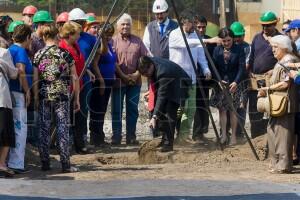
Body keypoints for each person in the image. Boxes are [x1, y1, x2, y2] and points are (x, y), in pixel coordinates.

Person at [33, 24, 80, 173]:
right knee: (62, 128)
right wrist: (77, 98)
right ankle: (65, 164)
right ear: (57, 35)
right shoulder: (65, 54)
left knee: (44, 129)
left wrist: (35, 96)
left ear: (44, 37)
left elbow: (35, 78)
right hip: (62, 96)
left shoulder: (38, 55)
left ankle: (45, 163)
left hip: (44, 95)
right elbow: (75, 77)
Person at [257, 35, 299, 174]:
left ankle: (284, 165)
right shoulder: (280, 61)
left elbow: (286, 83)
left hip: (285, 104)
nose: (273, 50)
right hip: (275, 104)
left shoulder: (289, 61)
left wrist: (268, 89)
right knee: (272, 131)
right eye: (272, 47)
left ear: (284, 48)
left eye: (276, 47)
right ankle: (274, 162)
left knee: (283, 135)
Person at [168, 10, 211, 143]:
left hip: (191, 79)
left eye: (194, 22)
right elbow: (186, 44)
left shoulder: (195, 36)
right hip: (177, 79)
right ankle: (169, 134)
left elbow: (201, 56)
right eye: (191, 22)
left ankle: (183, 136)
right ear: (183, 22)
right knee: (178, 109)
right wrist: (208, 40)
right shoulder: (175, 35)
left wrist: (206, 69)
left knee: (190, 109)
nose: (193, 25)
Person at [138, 56, 192, 152]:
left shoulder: (163, 73)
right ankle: (164, 139)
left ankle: (168, 144)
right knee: (161, 112)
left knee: (170, 113)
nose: (147, 76)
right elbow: (157, 89)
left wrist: (154, 117)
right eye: (144, 74)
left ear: (150, 65)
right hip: (169, 82)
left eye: (147, 72)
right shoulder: (150, 63)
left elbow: (161, 96)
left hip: (178, 86)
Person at [111, 13, 148, 145]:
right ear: (118, 26)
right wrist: (123, 75)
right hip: (118, 81)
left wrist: (137, 74)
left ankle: (131, 136)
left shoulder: (138, 41)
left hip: (135, 82)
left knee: (132, 110)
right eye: (123, 24)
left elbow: (146, 59)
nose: (125, 26)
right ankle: (116, 137)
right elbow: (112, 61)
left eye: (128, 24)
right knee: (116, 109)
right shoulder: (112, 41)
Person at [142, 0, 178, 139]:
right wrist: (154, 63)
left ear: (167, 12)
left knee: (169, 101)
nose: (159, 16)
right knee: (154, 99)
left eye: (161, 13)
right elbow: (146, 47)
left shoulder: (175, 26)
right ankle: (155, 132)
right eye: (157, 14)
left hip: (170, 70)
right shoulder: (150, 27)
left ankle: (169, 134)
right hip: (154, 70)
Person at [59, 21, 93, 154]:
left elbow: (80, 62)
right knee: (66, 116)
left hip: (79, 84)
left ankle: (79, 144)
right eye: (77, 34)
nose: (79, 36)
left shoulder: (76, 45)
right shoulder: (62, 48)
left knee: (79, 115)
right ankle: (65, 145)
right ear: (70, 34)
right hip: (67, 86)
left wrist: (87, 71)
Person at [248, 11, 281, 138]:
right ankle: (256, 138)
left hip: (273, 81)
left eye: (268, 25)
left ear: (274, 24)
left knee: (272, 109)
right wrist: (249, 71)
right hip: (256, 80)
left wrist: (274, 70)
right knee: (254, 109)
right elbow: (251, 57)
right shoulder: (257, 38)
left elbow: (285, 59)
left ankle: (269, 138)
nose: (265, 28)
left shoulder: (281, 39)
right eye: (263, 25)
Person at [210, 28, 245, 145]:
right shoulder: (216, 50)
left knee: (233, 110)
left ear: (233, 39)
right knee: (222, 110)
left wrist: (236, 81)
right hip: (221, 84)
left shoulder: (239, 49)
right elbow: (213, 67)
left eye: (229, 40)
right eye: (224, 41)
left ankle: (234, 136)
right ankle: (224, 135)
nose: (226, 43)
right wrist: (218, 80)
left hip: (234, 83)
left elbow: (241, 67)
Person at [68, 8, 96, 150]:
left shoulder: (88, 39)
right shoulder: (66, 42)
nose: (80, 25)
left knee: (82, 109)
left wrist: (89, 70)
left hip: (83, 79)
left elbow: (86, 59)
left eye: (82, 22)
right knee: (68, 111)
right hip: (70, 80)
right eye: (77, 22)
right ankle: (68, 139)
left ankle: (81, 139)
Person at [7, 24, 32, 174]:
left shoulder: (10, 49)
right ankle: (16, 163)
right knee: (20, 127)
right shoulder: (21, 51)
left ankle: (10, 160)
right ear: (27, 37)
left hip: (9, 93)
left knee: (13, 126)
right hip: (17, 93)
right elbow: (21, 71)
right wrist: (27, 90)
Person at [89, 22, 116, 146]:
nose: (109, 37)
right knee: (97, 109)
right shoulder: (98, 45)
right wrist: (101, 81)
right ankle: (96, 137)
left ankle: (100, 136)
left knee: (103, 109)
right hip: (101, 83)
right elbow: (94, 64)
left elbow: (112, 62)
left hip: (108, 82)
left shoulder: (109, 45)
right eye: (107, 34)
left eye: (111, 35)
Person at [192, 15, 216, 141]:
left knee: (204, 104)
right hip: (193, 77)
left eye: (203, 27)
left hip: (205, 78)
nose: (201, 30)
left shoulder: (210, 41)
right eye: (199, 27)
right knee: (194, 106)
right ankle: (195, 133)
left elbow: (213, 59)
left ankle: (202, 131)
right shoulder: (190, 40)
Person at [230, 21, 251, 138]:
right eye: (235, 36)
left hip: (242, 82)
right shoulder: (227, 47)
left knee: (241, 107)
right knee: (228, 107)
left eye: (239, 36)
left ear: (243, 35)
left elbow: (246, 66)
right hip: (230, 82)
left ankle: (239, 132)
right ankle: (229, 131)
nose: (237, 39)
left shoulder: (247, 48)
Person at [0, 48, 18, 177]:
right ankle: (1, 164)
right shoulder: (3, 52)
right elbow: (13, 74)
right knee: (6, 132)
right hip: (1, 98)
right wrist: (18, 69)